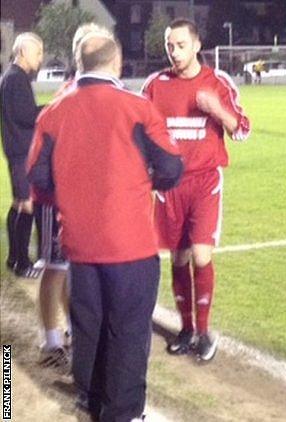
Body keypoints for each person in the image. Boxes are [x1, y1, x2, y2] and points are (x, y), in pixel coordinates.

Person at [27, 32, 183, 421]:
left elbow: (38, 178)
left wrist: (76, 192)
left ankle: (91, 401)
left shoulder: (53, 113)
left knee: (89, 328)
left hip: (79, 245)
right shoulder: (137, 107)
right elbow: (171, 167)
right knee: (128, 332)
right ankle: (125, 413)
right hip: (130, 245)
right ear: (116, 64)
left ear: (79, 63)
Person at [142, 18, 250, 362]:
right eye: (170, 46)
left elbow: (242, 130)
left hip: (205, 183)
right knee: (179, 257)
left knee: (201, 255)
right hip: (170, 185)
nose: (174, 52)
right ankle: (186, 328)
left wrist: (217, 109)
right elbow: (140, 132)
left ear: (197, 45)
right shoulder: (155, 84)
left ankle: (203, 332)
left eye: (181, 45)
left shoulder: (217, 82)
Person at [36, 23, 114, 374]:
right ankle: (50, 341)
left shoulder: (91, 93)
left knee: (71, 272)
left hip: (85, 202)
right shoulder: (71, 95)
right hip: (59, 199)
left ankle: (72, 332)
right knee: (56, 269)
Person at [0, 32, 44, 278]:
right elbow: (26, 116)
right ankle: (22, 263)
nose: (41, 57)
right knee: (26, 205)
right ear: (24, 52)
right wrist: (50, 109)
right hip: (21, 151)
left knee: (18, 204)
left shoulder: (11, 76)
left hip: (15, 149)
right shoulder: (16, 79)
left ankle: (13, 258)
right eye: (38, 52)